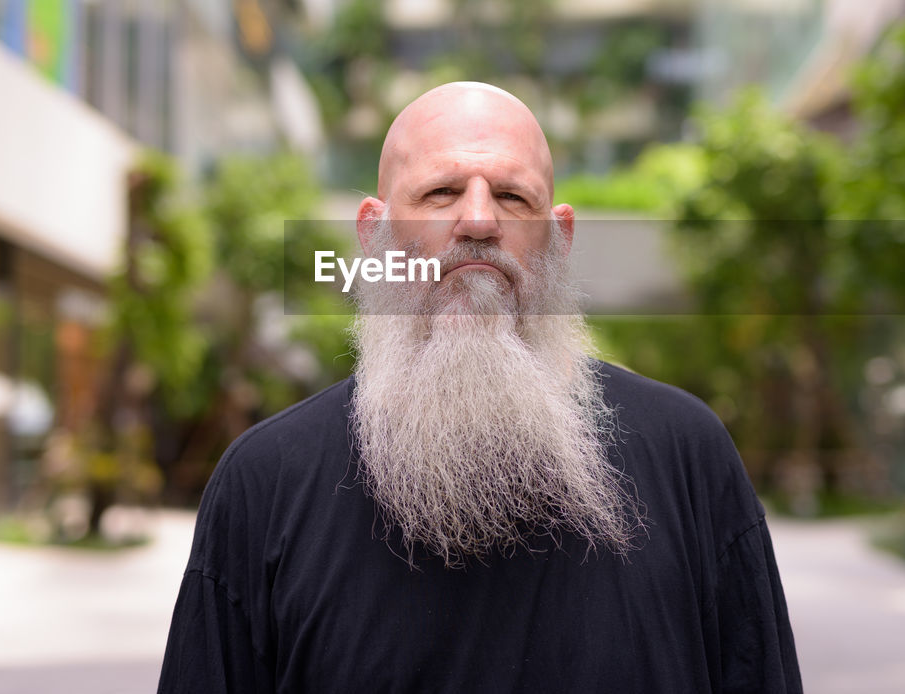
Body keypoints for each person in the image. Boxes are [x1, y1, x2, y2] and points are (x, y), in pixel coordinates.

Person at [157, 82, 802, 693]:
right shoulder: (264, 482)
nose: (477, 221)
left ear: (561, 238)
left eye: (514, 198)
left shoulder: (688, 455)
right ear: (372, 235)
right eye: (439, 192)